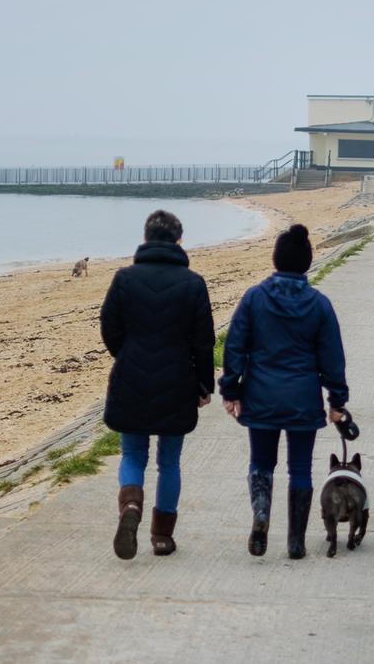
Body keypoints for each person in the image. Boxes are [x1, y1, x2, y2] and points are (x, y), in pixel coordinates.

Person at [219, 224, 350, 559]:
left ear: (276, 259)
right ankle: (296, 541)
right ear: (306, 263)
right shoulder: (319, 304)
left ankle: (261, 515)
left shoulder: (254, 298)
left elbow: (235, 347)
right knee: (301, 469)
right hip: (303, 399)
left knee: (261, 463)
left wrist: (231, 391)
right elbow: (333, 359)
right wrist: (337, 402)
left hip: (260, 396)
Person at [99, 210, 215, 560]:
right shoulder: (193, 283)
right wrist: (204, 385)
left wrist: (127, 354)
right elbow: (203, 341)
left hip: (131, 375)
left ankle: (131, 506)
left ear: (146, 238)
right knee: (170, 462)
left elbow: (109, 326)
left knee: (132, 454)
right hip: (178, 379)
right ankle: (162, 536)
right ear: (179, 240)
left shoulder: (124, 279)